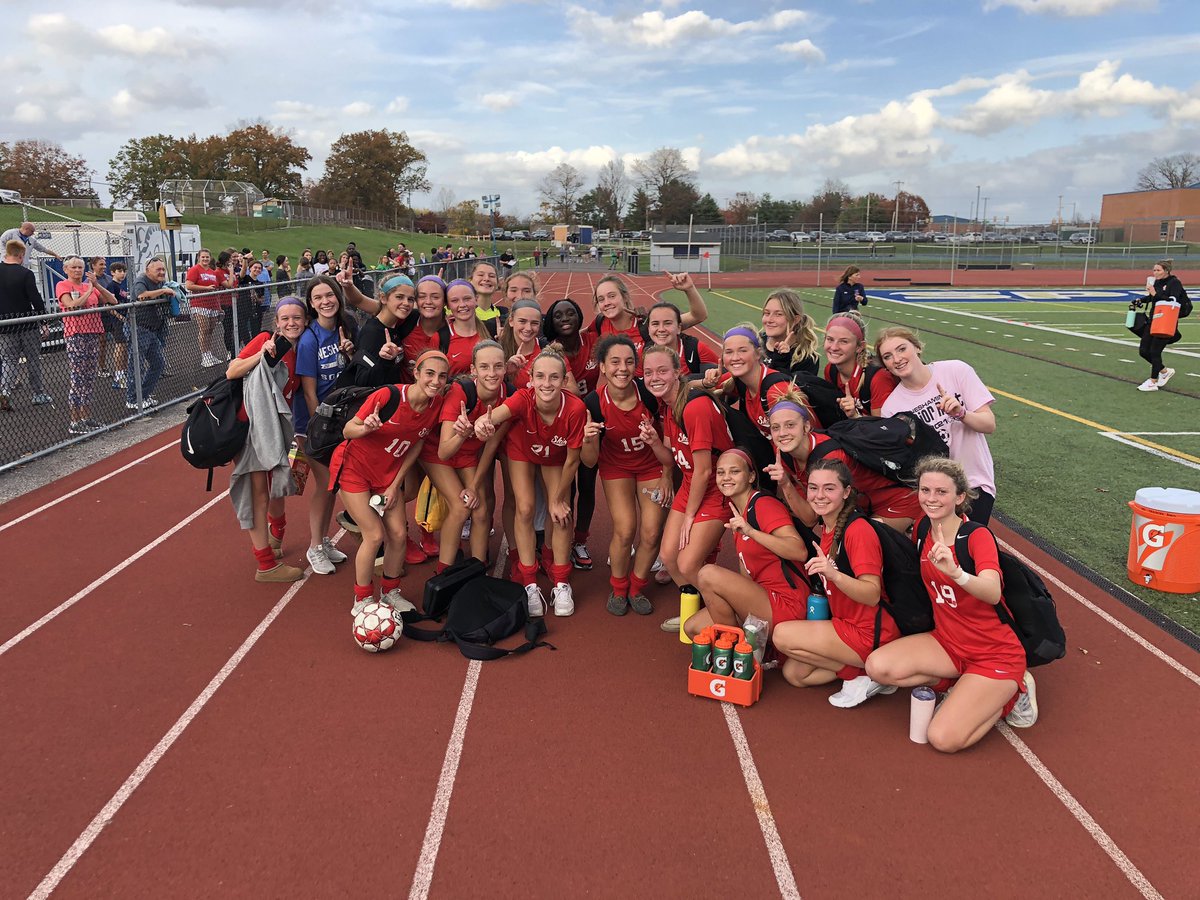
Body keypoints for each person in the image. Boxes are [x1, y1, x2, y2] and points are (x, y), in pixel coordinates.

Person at [865, 457, 1037, 752]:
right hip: (948, 642)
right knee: (877, 667)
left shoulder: (976, 536)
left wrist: (956, 573)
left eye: (941, 492)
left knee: (943, 739)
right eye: (925, 490)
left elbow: (993, 592)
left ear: (959, 497)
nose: (931, 499)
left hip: (993, 652)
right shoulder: (922, 529)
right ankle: (963, 686)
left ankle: (1014, 691)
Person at [771, 458, 901, 708]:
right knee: (795, 675)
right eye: (813, 487)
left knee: (782, 635)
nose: (819, 495)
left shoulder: (858, 531)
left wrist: (834, 575)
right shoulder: (829, 526)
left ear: (846, 492)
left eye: (829, 488)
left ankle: (864, 674)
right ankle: (865, 673)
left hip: (870, 632)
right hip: (846, 623)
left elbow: (872, 594)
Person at [330, 350, 449, 615]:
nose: (435, 381)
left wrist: (395, 485)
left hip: (387, 475)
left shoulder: (435, 405)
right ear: (416, 373)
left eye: (442, 376)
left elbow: (416, 444)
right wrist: (366, 429)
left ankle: (390, 592)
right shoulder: (389, 395)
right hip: (355, 470)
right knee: (373, 535)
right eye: (429, 373)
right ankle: (361, 598)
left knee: (398, 534)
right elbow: (349, 430)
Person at [475, 347, 586, 617]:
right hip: (522, 451)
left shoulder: (575, 408)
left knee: (560, 513)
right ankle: (529, 581)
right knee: (524, 508)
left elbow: (573, 460)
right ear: (531, 379)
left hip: (556, 457)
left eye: (554, 378)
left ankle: (560, 580)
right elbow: (491, 417)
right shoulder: (522, 398)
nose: (546, 383)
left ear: (563, 381)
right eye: (540, 377)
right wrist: (481, 424)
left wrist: (559, 498)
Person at [224, 296, 309, 584]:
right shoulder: (264, 339)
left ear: (305, 321)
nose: (291, 323)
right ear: (276, 323)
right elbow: (232, 371)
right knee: (258, 493)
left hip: (276, 430)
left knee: (275, 486)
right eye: (285, 319)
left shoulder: (301, 351)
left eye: (297, 318)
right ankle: (266, 565)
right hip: (253, 428)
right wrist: (261, 353)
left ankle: (276, 535)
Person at [681, 448, 809, 638]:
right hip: (761, 596)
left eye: (735, 471)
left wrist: (751, 532)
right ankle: (752, 645)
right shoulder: (739, 512)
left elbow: (799, 551)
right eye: (721, 472)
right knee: (693, 627)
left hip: (786, 602)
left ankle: (738, 649)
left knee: (707, 574)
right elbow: (746, 573)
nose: (726, 477)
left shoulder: (764, 504)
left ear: (751, 477)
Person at [876, 327, 998, 524]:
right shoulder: (892, 408)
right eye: (888, 356)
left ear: (916, 347)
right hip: (934, 493)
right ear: (885, 366)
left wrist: (961, 413)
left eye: (901, 349)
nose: (897, 359)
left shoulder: (955, 370)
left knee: (967, 546)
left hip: (973, 483)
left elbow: (989, 424)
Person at [643, 343, 732, 603]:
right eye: (648, 372)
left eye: (662, 371)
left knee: (687, 563)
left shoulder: (694, 407)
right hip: (692, 483)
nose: (654, 378)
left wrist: (689, 516)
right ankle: (699, 605)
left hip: (715, 487)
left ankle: (726, 608)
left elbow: (705, 471)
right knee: (669, 557)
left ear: (677, 371)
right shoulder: (670, 406)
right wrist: (654, 443)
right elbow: (673, 458)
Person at [765, 392, 920, 532]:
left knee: (859, 538)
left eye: (790, 425)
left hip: (897, 501)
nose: (782, 433)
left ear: (806, 427)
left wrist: (786, 484)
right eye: (775, 428)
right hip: (864, 505)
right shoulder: (783, 453)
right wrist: (785, 483)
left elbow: (815, 518)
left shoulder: (830, 457)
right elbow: (809, 519)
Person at [424, 340, 510, 569]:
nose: (492, 373)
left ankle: (477, 569)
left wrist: (474, 486)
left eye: (498, 366)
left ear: (505, 368)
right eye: (484, 367)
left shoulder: (508, 397)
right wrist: (462, 434)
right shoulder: (462, 393)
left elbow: (491, 447)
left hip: (469, 456)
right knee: (461, 506)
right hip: (438, 452)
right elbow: (443, 451)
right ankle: (443, 571)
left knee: (481, 508)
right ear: (473, 370)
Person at [295, 277, 357, 576]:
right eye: (317, 297)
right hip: (316, 422)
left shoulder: (347, 327)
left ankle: (323, 541)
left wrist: (349, 353)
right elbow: (309, 390)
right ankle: (314, 546)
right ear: (311, 303)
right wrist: (316, 429)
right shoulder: (310, 339)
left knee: (332, 485)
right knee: (325, 484)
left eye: (329, 295)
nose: (325, 301)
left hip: (341, 417)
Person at [591, 272, 708, 367]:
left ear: (625, 296)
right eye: (601, 299)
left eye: (612, 296)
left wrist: (689, 289)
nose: (606, 303)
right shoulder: (600, 323)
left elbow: (698, 316)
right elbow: (576, 334)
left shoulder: (648, 323)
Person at [56, 255, 117, 434]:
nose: (77, 271)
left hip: (93, 333)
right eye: (73, 267)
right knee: (78, 376)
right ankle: (74, 421)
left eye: (80, 267)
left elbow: (112, 300)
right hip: (76, 334)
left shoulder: (88, 285)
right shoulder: (63, 285)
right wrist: (89, 291)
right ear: (66, 269)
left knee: (90, 377)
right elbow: (72, 307)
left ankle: (86, 417)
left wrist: (95, 285)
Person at [0, 239, 50, 409]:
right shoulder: (25, 273)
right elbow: (35, 299)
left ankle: (5, 391)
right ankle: (38, 393)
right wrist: (43, 321)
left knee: (8, 360)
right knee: (33, 359)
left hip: (5, 324)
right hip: (26, 322)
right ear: (21, 256)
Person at [823, 310, 896, 418]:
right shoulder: (830, 370)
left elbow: (883, 428)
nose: (834, 347)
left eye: (844, 341)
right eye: (830, 339)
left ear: (859, 347)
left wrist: (855, 416)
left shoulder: (877, 377)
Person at [1134, 258, 1189, 391]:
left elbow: (1171, 300)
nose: (1155, 273)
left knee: (1155, 351)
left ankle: (1153, 382)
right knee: (1143, 351)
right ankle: (1164, 371)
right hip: (1154, 319)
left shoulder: (1174, 283)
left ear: (1166, 271)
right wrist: (1140, 300)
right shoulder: (1157, 282)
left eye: (1158, 270)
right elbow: (1154, 298)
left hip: (1167, 320)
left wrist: (1154, 293)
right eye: (1154, 270)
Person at [124, 258, 172, 410]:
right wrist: (163, 291)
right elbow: (141, 296)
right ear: (148, 270)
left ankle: (143, 395)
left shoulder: (161, 282)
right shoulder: (141, 280)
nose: (162, 272)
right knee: (136, 365)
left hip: (152, 329)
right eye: (158, 270)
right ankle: (132, 399)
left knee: (158, 364)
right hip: (138, 327)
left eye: (163, 269)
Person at [645, 301, 718, 379]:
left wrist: (697, 382)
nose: (661, 329)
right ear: (649, 328)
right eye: (655, 324)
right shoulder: (644, 353)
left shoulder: (695, 349)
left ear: (679, 328)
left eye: (668, 323)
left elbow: (722, 373)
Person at [185, 248, 229, 367]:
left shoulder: (212, 272)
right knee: (204, 329)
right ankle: (204, 356)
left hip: (213, 304)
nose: (205, 259)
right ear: (199, 257)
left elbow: (216, 289)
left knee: (210, 330)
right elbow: (189, 285)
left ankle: (209, 354)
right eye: (203, 257)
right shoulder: (194, 270)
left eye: (207, 257)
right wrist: (205, 289)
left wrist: (219, 307)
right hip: (200, 304)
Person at [760, 289, 820, 376]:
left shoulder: (805, 357)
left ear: (795, 319)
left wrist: (782, 359)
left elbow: (784, 388)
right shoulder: (756, 344)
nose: (769, 320)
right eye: (767, 313)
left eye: (778, 314)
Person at [93, 257, 127, 388]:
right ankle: (118, 375)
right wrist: (120, 316)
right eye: (119, 271)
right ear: (113, 272)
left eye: (124, 271)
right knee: (119, 345)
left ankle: (122, 372)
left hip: (122, 320)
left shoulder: (120, 285)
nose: (122, 273)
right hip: (116, 321)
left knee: (123, 346)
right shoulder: (111, 286)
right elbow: (109, 305)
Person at [444, 279, 484, 377]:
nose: (462, 305)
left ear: (476, 299)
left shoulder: (491, 330)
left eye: (467, 298)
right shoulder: (441, 336)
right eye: (454, 300)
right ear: (448, 305)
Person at [469, 260, 503, 338]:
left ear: (497, 284)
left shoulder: (504, 314)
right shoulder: (459, 313)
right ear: (470, 280)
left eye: (492, 276)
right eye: (481, 275)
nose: (486, 279)